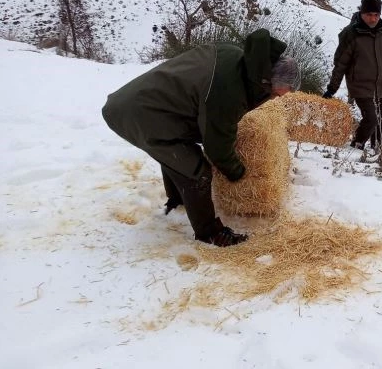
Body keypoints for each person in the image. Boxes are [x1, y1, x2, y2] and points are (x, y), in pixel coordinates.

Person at [102, 29, 300, 247]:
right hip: (141, 114)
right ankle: (209, 233)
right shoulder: (228, 88)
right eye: (284, 90)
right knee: (198, 172)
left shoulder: (239, 59)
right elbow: (217, 146)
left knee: (178, 155)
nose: (283, 95)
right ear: (271, 78)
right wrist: (237, 172)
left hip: (145, 104)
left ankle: (178, 199)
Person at [323, 0, 382, 150]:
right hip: (360, 86)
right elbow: (341, 64)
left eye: (376, 15)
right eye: (369, 15)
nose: (373, 19)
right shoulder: (351, 34)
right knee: (371, 119)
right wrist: (332, 88)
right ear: (362, 13)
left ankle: (376, 149)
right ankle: (357, 146)